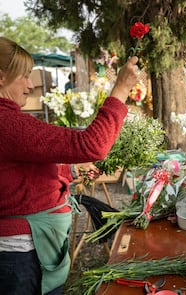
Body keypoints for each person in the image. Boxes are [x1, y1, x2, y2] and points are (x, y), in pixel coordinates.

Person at [0, 36, 139, 295]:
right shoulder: (8, 124)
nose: (30, 85)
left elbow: (17, 174)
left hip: (20, 255)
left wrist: (70, 171)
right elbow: (92, 145)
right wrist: (120, 89)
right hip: (21, 259)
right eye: (25, 76)